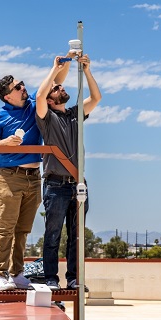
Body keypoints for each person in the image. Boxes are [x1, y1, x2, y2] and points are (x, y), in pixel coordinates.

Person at [0, 60, 71, 291]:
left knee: (23, 229)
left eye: (22, 84)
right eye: (17, 87)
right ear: (7, 96)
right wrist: (6, 142)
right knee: (7, 226)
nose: (23, 88)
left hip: (34, 177)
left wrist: (63, 61)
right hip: (9, 177)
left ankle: (17, 272)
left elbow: (56, 81)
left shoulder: (34, 103)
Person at [35, 53, 102, 291]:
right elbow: (40, 96)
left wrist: (86, 70)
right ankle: (51, 279)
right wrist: (54, 70)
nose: (61, 88)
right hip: (55, 185)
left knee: (77, 236)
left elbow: (96, 97)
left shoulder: (75, 114)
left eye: (60, 86)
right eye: (57, 88)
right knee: (53, 236)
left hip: (78, 185)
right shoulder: (47, 118)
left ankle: (73, 278)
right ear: (51, 100)